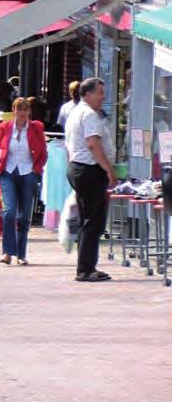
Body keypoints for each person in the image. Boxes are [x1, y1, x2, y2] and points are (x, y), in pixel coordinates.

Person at [65, 77, 116, 282]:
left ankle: (86, 265)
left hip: (79, 168)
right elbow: (93, 144)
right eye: (100, 93)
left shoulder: (76, 112)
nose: (103, 97)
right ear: (87, 94)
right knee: (93, 220)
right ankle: (85, 269)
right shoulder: (88, 114)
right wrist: (109, 170)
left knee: (89, 218)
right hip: (88, 170)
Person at [0, 96, 47, 266]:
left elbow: (43, 153)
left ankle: (21, 254)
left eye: (25, 109)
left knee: (24, 216)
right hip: (8, 172)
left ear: (29, 112)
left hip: (27, 172)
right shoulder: (4, 127)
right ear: (13, 111)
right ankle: (7, 252)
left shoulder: (37, 127)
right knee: (9, 212)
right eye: (19, 109)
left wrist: (36, 169)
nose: (22, 113)